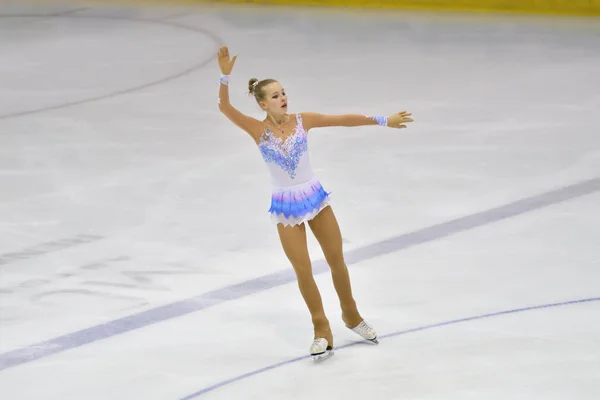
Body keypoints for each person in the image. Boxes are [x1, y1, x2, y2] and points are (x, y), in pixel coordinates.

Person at [216, 45, 413, 361]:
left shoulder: (301, 120)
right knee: (303, 270)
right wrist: (224, 76)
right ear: (263, 103)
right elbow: (224, 108)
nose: (283, 98)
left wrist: (382, 120)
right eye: (276, 95)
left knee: (336, 259)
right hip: (285, 206)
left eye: (284, 92)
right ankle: (321, 329)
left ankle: (351, 315)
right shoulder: (257, 129)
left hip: (315, 197)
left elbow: (342, 120)